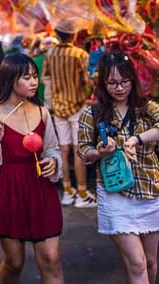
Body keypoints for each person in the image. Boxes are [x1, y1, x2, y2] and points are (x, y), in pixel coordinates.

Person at [78, 52, 159, 284]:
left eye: (124, 81)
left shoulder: (146, 107)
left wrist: (137, 139)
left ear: (133, 80)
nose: (119, 87)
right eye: (112, 82)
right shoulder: (91, 113)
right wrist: (99, 152)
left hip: (150, 189)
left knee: (151, 262)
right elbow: (83, 150)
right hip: (115, 192)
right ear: (103, 83)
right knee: (137, 262)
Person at [0, 54, 64, 284]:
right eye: (27, 77)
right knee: (14, 262)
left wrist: (53, 161)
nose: (34, 82)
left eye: (35, 77)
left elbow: (52, 148)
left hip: (41, 189)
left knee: (51, 259)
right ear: (11, 80)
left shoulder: (42, 112)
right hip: (8, 192)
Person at [43, 19, 95, 208]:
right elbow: (88, 81)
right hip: (77, 106)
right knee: (78, 149)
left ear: (57, 34)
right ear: (73, 35)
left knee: (63, 150)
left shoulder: (50, 54)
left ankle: (67, 191)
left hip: (58, 108)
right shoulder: (80, 54)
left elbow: (45, 79)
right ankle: (82, 192)